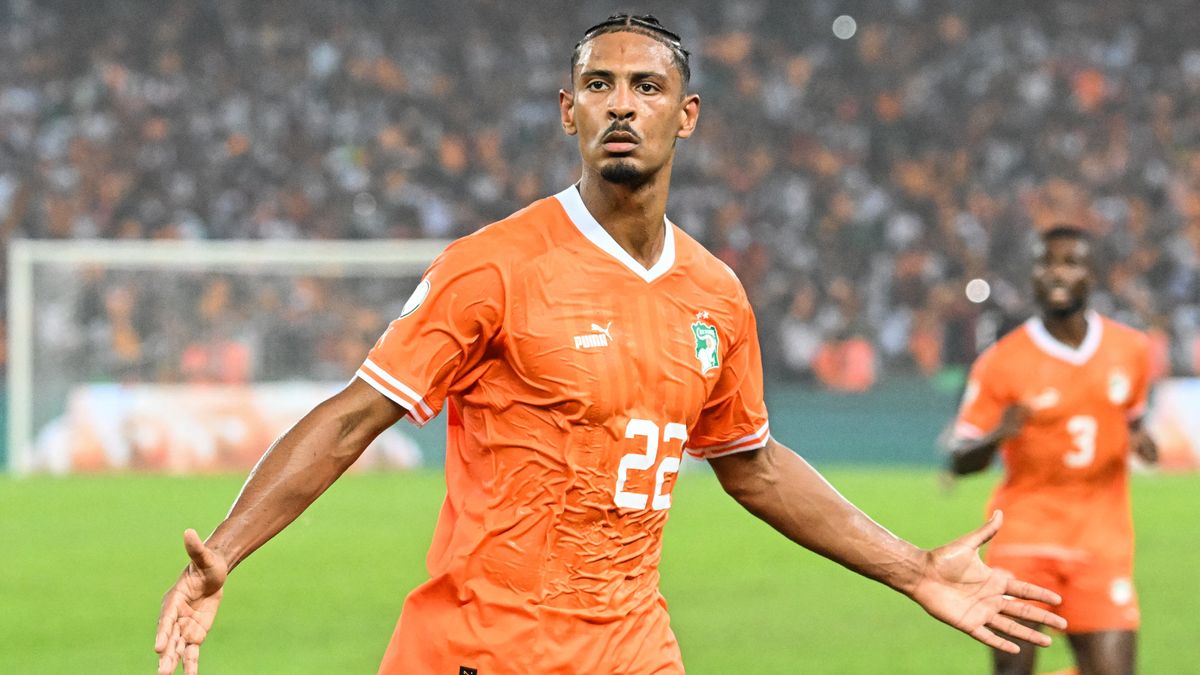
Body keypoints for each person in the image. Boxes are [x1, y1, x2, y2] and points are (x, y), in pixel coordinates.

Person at [156, 14, 1066, 675]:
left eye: (646, 87)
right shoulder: (495, 267)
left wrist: (912, 569)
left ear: (688, 114)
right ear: (568, 112)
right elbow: (356, 415)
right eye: (600, 85)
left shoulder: (716, 295)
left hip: (634, 648)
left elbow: (751, 463)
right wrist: (228, 549)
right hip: (490, 650)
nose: (621, 105)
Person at [948, 225, 1157, 675]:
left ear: (1092, 274)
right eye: (1047, 263)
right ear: (1033, 275)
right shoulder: (1001, 361)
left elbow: (1133, 417)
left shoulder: (1132, 350)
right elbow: (960, 459)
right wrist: (996, 435)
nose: (1057, 273)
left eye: (1071, 262)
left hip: (1101, 542)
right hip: (1025, 538)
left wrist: (1142, 438)